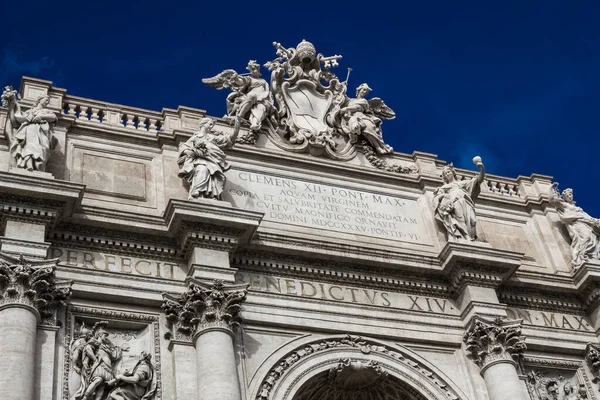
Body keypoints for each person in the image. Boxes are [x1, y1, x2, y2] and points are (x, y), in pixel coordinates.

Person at [177, 117, 240, 200]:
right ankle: (197, 192)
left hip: (212, 162)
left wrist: (237, 126)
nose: (211, 126)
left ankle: (212, 195)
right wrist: (188, 152)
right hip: (200, 161)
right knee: (202, 170)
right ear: (203, 124)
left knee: (215, 175)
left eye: (212, 125)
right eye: (210, 124)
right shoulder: (196, 137)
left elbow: (229, 139)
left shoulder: (212, 137)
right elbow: (183, 147)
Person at [2, 88, 57, 171]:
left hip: (41, 133)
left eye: (48, 101)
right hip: (29, 130)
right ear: (40, 100)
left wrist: (41, 117)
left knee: (44, 148)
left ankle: (38, 165)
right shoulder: (29, 111)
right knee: (29, 147)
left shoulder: (47, 111)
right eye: (46, 100)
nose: (47, 102)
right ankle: (29, 165)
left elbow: (54, 118)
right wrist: (12, 107)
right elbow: (16, 120)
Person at [549, 183, 600, 269]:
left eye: (571, 195)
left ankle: (592, 257)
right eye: (568, 195)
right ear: (564, 196)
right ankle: (581, 256)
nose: (570, 196)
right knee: (586, 237)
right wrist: (551, 188)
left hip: (586, 223)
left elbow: (588, 217)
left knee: (593, 240)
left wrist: (595, 221)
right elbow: (551, 200)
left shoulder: (575, 207)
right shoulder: (564, 205)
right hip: (576, 224)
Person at [433, 160, 485, 241]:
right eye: (446, 174)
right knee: (461, 221)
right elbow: (437, 198)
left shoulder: (463, 183)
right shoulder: (443, 187)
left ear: (453, 172)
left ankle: (472, 238)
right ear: (444, 177)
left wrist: (482, 168)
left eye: (449, 172)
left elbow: (479, 180)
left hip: (466, 201)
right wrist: (444, 196)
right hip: (455, 202)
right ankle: (467, 238)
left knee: (473, 221)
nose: (448, 174)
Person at [338, 83, 393, 155]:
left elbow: (359, 108)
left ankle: (379, 147)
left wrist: (346, 109)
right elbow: (342, 96)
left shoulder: (364, 101)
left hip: (360, 116)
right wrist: (343, 87)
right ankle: (356, 130)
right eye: (363, 90)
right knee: (354, 124)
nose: (364, 92)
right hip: (350, 118)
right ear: (359, 90)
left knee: (368, 128)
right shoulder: (350, 101)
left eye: (366, 92)